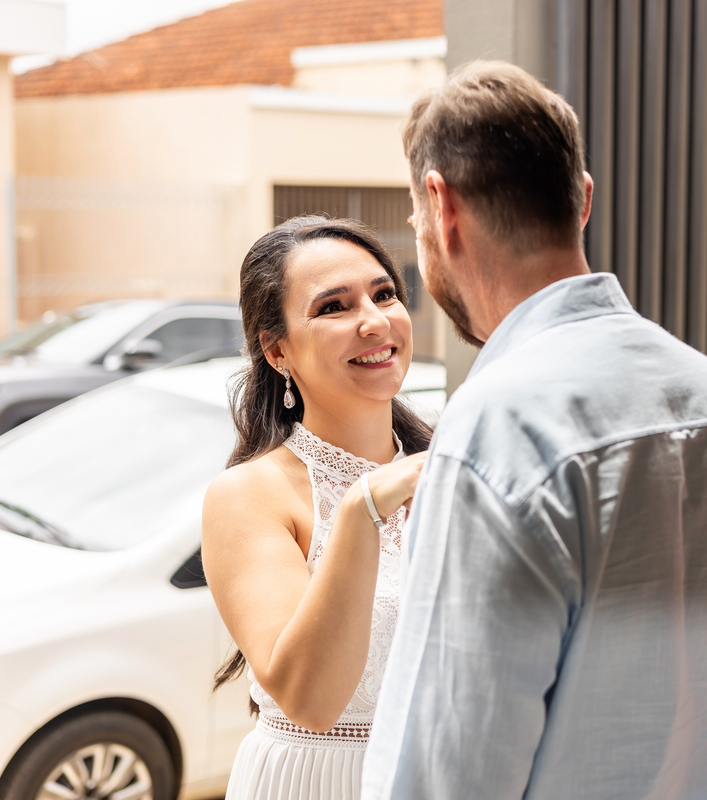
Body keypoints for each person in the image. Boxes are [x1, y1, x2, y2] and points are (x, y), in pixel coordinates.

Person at [360, 61, 707, 800]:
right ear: (583, 200)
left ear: (441, 204)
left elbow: (441, 770)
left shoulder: (496, 426)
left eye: (413, 221)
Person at [202, 216, 431, 800]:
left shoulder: (449, 465)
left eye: (385, 294)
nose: (375, 321)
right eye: (334, 307)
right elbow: (310, 701)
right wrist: (361, 509)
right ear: (278, 350)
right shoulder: (250, 495)